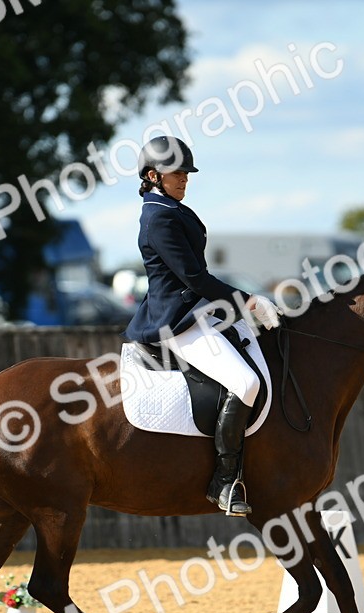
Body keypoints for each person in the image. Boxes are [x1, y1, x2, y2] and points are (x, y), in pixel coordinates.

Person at [123, 136, 281, 516]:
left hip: (197, 312)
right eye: (176, 173)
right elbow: (194, 277)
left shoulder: (171, 209)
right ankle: (223, 483)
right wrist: (248, 301)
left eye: (186, 173)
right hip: (175, 321)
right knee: (246, 383)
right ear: (153, 176)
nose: (184, 179)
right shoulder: (159, 217)